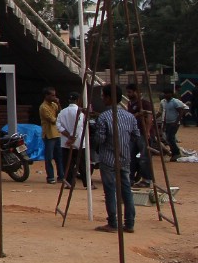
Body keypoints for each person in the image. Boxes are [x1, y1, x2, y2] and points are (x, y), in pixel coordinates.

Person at [92, 85, 138, 233]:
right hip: (124, 158)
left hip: (108, 159)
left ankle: (112, 222)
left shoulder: (104, 117)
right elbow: (136, 136)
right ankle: (129, 223)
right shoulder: (129, 116)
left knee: (110, 191)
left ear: (109, 97)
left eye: (103, 96)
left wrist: (94, 137)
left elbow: (100, 139)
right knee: (126, 191)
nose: (102, 98)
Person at [124, 83, 155, 187]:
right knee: (131, 157)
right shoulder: (130, 104)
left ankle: (146, 180)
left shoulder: (144, 104)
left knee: (144, 158)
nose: (128, 94)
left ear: (136, 92)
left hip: (142, 134)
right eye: (127, 92)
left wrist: (147, 132)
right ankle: (131, 178)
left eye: (130, 92)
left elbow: (149, 118)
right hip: (133, 134)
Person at [56, 91, 85, 185]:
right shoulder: (80, 112)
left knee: (67, 164)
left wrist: (68, 136)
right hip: (79, 142)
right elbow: (79, 126)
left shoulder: (62, 112)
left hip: (65, 142)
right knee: (82, 164)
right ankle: (87, 183)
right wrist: (72, 137)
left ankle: (69, 182)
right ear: (78, 100)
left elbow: (58, 125)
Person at [160, 86, 190, 162]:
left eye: (167, 93)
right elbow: (164, 113)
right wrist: (163, 123)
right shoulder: (164, 102)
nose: (166, 95)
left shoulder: (175, 102)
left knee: (170, 138)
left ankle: (176, 153)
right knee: (168, 138)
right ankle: (174, 152)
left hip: (174, 123)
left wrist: (176, 122)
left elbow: (180, 112)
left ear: (171, 94)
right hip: (167, 123)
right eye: (165, 94)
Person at [39, 87, 62, 184]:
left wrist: (58, 104)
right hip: (49, 135)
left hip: (57, 134)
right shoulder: (43, 107)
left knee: (59, 156)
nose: (54, 97)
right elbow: (53, 120)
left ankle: (61, 176)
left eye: (55, 95)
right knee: (49, 157)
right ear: (46, 96)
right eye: (52, 95)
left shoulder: (54, 105)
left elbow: (60, 114)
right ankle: (50, 177)